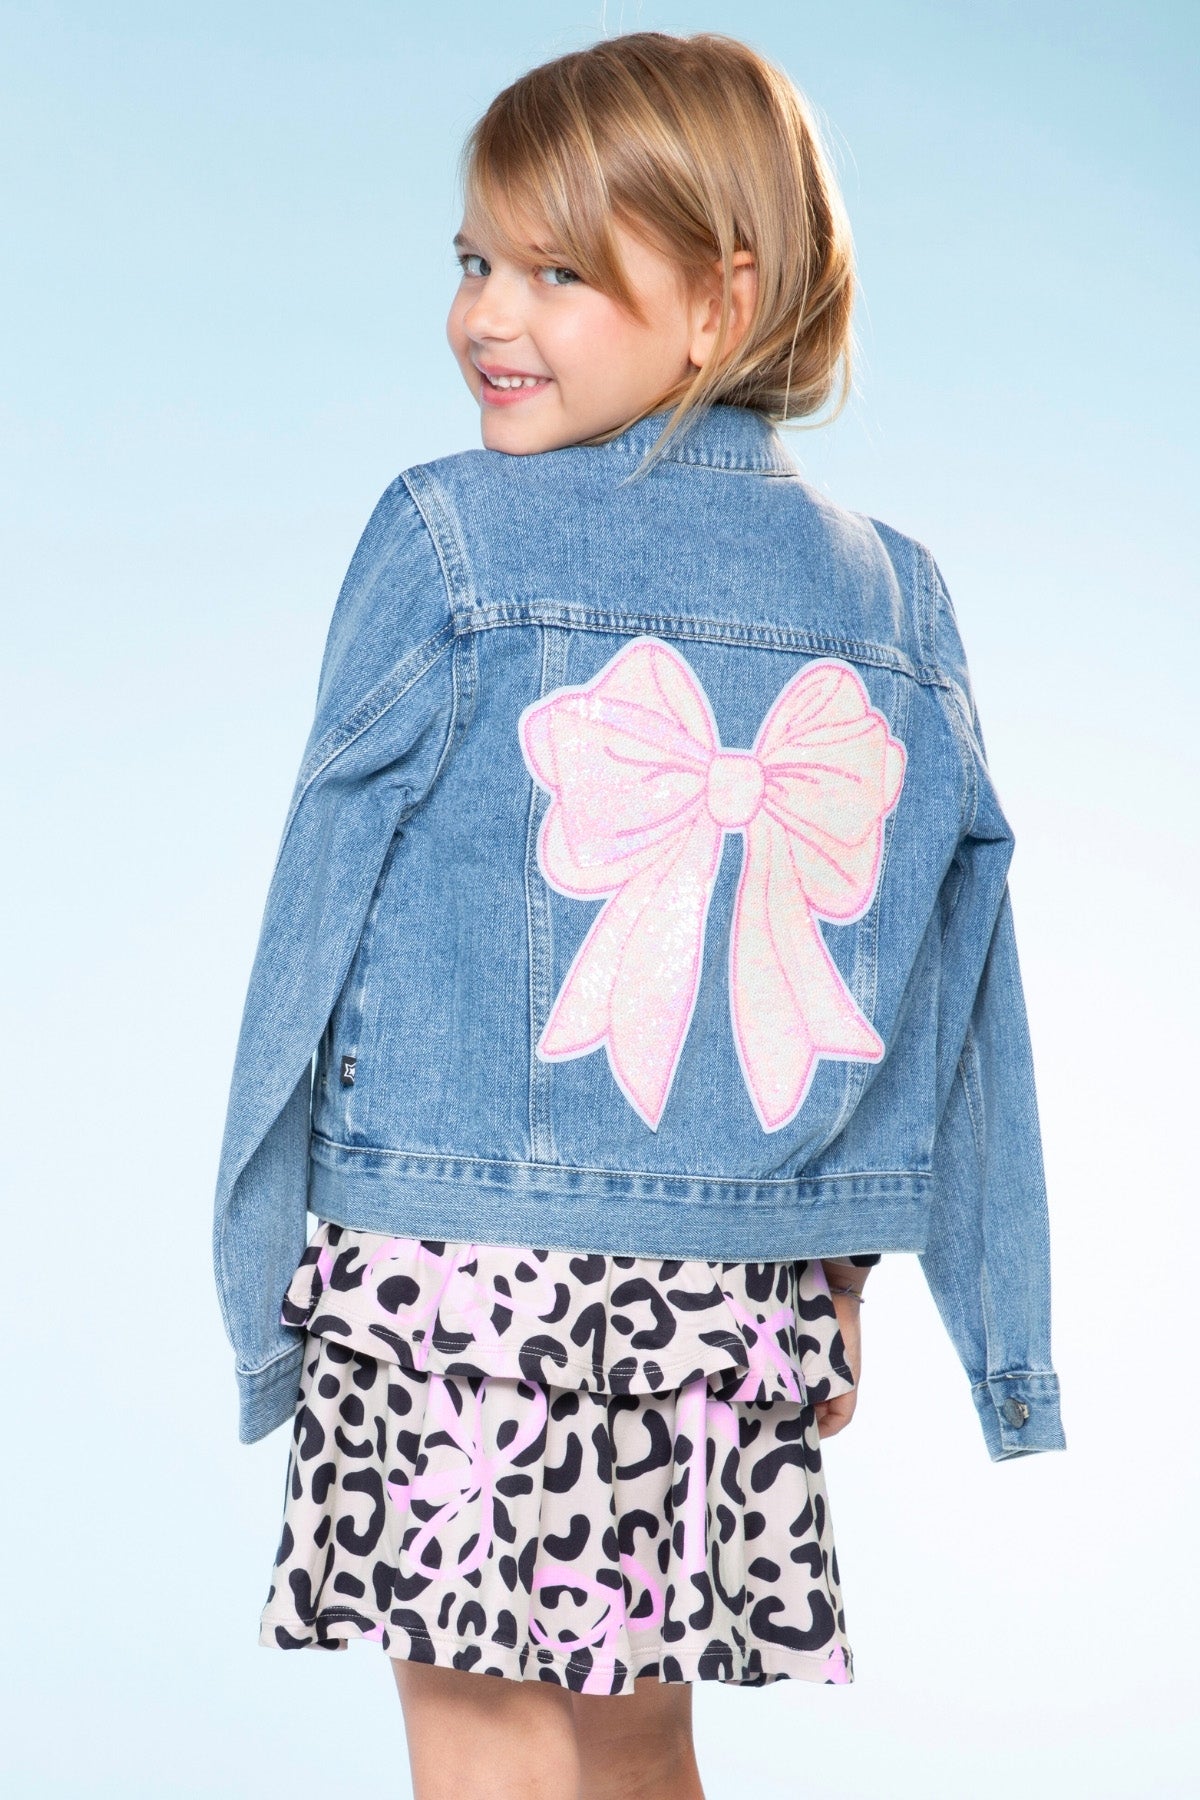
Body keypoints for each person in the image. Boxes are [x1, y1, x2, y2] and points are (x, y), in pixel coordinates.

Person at [212, 30, 1065, 1800]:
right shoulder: (896, 596)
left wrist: (260, 1263)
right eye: (473, 260)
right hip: (720, 1300)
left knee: (485, 1749)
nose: (485, 316)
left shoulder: (447, 536)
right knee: (640, 1742)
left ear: (721, 301)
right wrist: (848, 1270)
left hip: (445, 1277)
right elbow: (940, 987)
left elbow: (313, 922)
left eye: (557, 273)